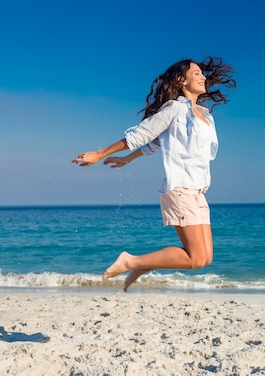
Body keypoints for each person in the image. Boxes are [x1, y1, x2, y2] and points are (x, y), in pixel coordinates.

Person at [72, 57, 235, 291]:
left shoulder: (204, 114)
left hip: (198, 191)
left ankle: (144, 265)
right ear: (181, 80)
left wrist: (127, 160)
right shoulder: (174, 108)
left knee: (205, 258)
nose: (203, 77)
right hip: (180, 188)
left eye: (202, 73)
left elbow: (156, 144)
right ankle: (131, 261)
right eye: (196, 73)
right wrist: (99, 154)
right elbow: (141, 135)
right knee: (196, 258)